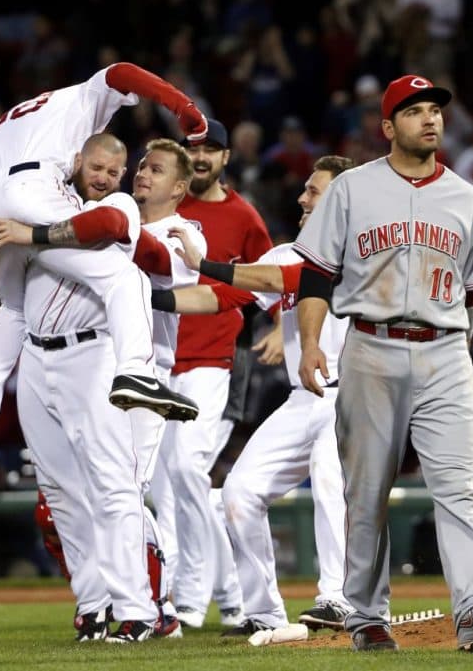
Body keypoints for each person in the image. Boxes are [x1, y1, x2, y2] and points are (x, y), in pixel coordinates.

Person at [294, 75, 473, 653]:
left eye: (435, 110)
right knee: (365, 492)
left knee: (457, 488)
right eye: (414, 112)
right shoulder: (351, 189)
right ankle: (365, 614)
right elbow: (315, 273)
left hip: (445, 351)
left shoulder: (465, 195)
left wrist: (455, 353)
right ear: (388, 127)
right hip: (370, 346)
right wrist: (312, 342)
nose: (430, 120)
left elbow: (471, 293)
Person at [0, 137, 208, 643]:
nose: (106, 176)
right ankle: (94, 605)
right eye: (97, 166)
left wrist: (29, 233)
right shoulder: (52, 206)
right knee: (59, 494)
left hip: (100, 359)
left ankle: (145, 611)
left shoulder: (134, 213)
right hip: (37, 358)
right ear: (76, 163)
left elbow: (126, 237)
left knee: (116, 489)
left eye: (115, 170)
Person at [158, 155, 355, 636]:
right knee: (240, 493)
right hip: (303, 397)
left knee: (332, 484)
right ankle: (263, 612)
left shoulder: (358, 251)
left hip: (353, 396)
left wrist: (204, 263)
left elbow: (284, 283)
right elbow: (220, 299)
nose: (302, 197)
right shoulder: (286, 251)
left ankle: (339, 598)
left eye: (314, 190)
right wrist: (144, 295)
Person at [0, 62, 206, 429]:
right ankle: (136, 372)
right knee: (124, 277)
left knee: (13, 306)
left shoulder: (13, 119)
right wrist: (182, 106)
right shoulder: (84, 96)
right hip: (33, 192)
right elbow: (122, 71)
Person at [163, 119, 274, 629]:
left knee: (188, 471)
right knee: (174, 485)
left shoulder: (244, 217)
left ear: (227, 157)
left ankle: (186, 600)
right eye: (193, 148)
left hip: (218, 359)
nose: (201, 156)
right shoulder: (162, 208)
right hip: (160, 361)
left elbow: (269, 279)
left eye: (211, 149)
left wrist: (275, 326)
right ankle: (231, 597)